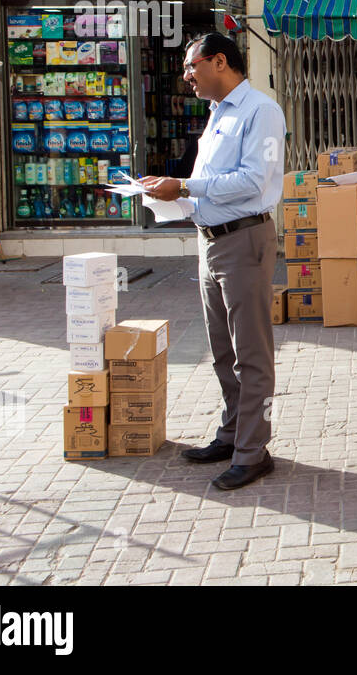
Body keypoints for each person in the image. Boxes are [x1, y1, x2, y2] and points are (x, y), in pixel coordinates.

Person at [141, 33, 285, 491]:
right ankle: (231, 435)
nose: (186, 75)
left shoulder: (261, 111)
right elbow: (210, 179)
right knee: (223, 350)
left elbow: (252, 180)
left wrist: (183, 187)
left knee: (252, 353)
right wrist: (174, 192)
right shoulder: (218, 114)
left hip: (244, 242)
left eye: (191, 65)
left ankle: (253, 451)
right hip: (211, 241)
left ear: (219, 61)